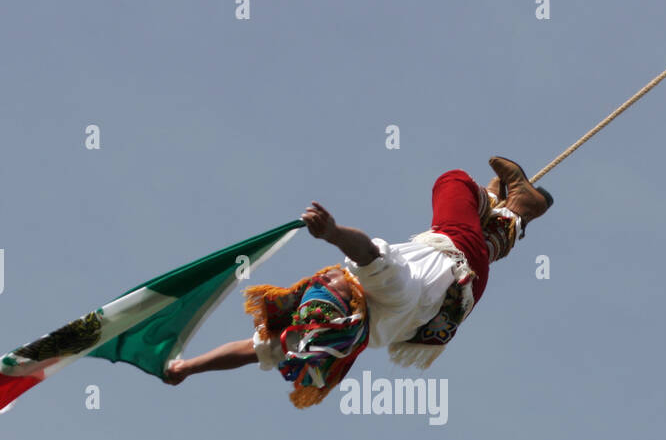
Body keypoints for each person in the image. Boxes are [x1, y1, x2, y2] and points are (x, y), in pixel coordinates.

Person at [162, 157, 553, 406]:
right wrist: (332, 232)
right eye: (336, 280)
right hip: (456, 256)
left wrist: (188, 367)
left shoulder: (323, 336)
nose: (333, 271)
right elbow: (366, 250)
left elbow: (249, 350)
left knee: (486, 240)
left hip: (456, 298)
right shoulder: (383, 287)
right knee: (453, 182)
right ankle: (503, 197)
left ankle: (518, 212)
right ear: (350, 299)